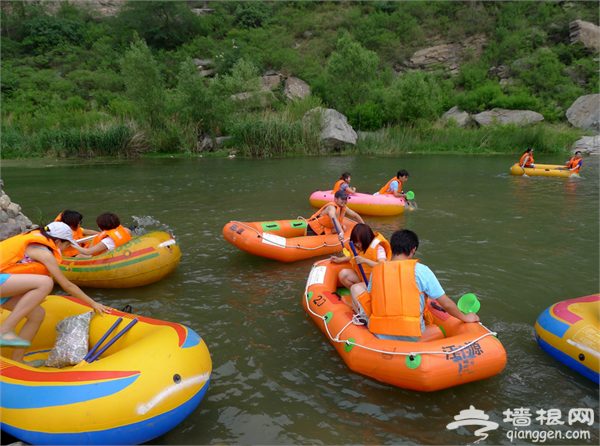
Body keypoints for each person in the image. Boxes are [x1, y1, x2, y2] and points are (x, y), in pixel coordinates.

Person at [0, 222, 111, 366]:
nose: (66, 249)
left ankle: (17, 360)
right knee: (45, 282)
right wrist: (93, 303)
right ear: (57, 241)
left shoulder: (35, 244)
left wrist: (33, 298)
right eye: (66, 245)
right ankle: (5, 330)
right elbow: (67, 285)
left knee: (37, 314)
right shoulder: (44, 253)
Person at [350, 229, 479, 342]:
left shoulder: (377, 270)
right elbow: (446, 304)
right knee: (436, 330)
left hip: (379, 333)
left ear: (392, 248)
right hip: (412, 336)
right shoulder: (421, 270)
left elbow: (373, 299)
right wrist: (465, 317)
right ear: (413, 250)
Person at [330, 224, 391, 288]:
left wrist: (365, 261)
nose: (357, 244)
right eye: (355, 242)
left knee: (355, 287)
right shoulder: (358, 247)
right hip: (363, 277)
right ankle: (359, 293)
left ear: (366, 239)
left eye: (359, 242)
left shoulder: (378, 248)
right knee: (343, 274)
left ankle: (360, 291)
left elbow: (383, 266)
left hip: (376, 281)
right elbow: (354, 256)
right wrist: (340, 260)